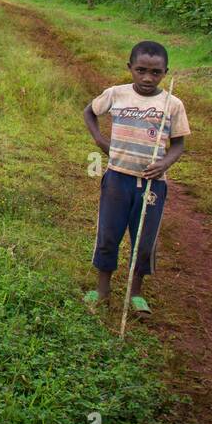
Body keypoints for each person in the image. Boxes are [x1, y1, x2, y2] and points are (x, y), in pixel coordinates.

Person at [82, 40, 190, 315]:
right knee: (108, 233)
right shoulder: (116, 94)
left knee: (144, 239)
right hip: (117, 178)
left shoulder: (172, 104)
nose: (147, 78)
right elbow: (90, 112)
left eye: (156, 72)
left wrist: (164, 163)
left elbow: (178, 144)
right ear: (130, 68)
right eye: (141, 70)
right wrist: (100, 140)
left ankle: (136, 292)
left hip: (153, 184)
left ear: (166, 71)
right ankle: (102, 289)